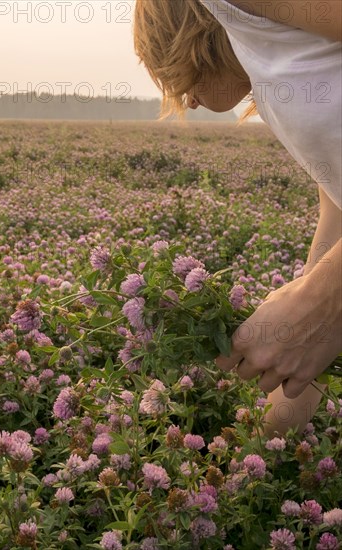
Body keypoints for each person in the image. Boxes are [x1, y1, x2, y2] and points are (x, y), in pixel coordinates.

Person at [133, 0, 342, 435]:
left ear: (189, 41)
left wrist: (328, 294)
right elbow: (337, 207)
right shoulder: (270, 78)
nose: (184, 99)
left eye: (171, 75)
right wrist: (264, 445)